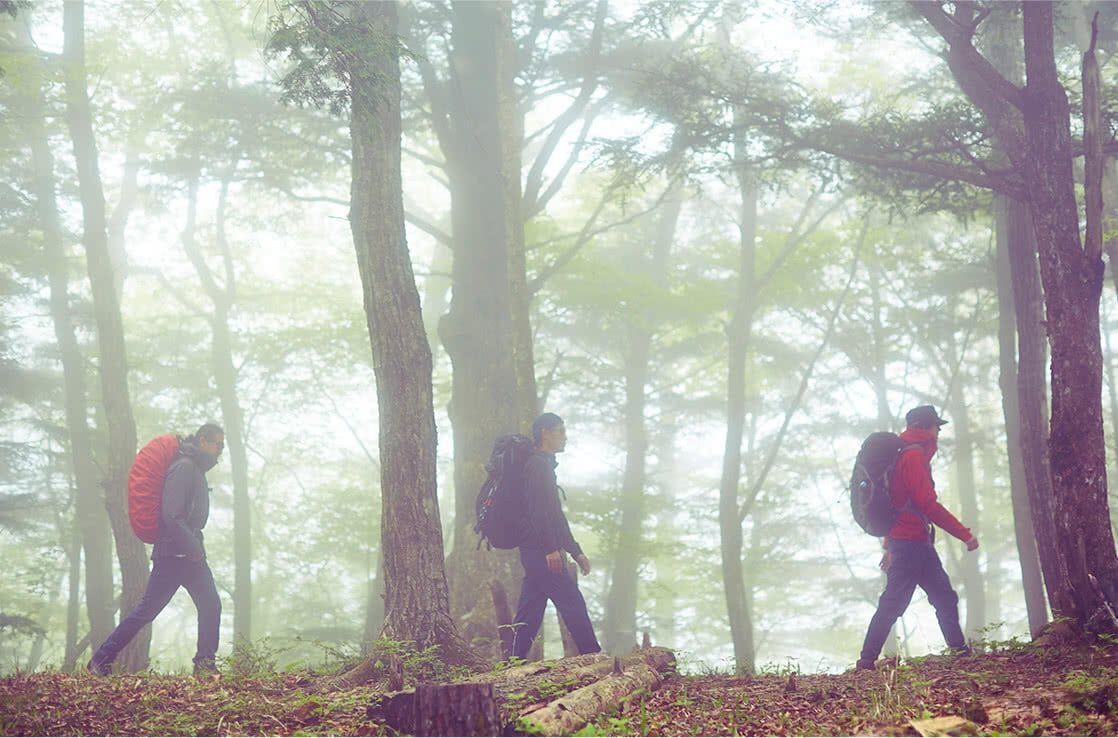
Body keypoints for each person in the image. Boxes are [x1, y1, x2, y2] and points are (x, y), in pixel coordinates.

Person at [88, 423, 225, 676]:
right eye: (217, 444)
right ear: (203, 440)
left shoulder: (194, 468)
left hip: (188, 554)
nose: (220, 450)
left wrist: (194, 549)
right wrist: (193, 548)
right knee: (146, 612)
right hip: (174, 555)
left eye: (222, 445)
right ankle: (100, 660)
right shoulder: (184, 467)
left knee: (210, 605)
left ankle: (205, 665)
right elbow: (171, 515)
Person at [856, 405, 980, 670]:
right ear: (928, 427)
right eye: (937, 426)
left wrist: (889, 545)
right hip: (911, 544)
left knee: (944, 596)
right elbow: (927, 504)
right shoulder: (912, 457)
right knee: (893, 603)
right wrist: (964, 535)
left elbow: (896, 502)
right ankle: (866, 660)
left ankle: (958, 651)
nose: (938, 432)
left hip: (913, 543)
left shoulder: (906, 453)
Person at [510, 412, 601, 660]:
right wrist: (551, 548)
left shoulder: (542, 465)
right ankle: (593, 657)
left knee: (531, 608)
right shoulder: (538, 466)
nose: (565, 437)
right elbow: (540, 513)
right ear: (545, 433)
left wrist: (575, 550)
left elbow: (554, 515)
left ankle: (511, 662)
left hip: (535, 549)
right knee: (571, 601)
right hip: (540, 550)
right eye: (560, 431)